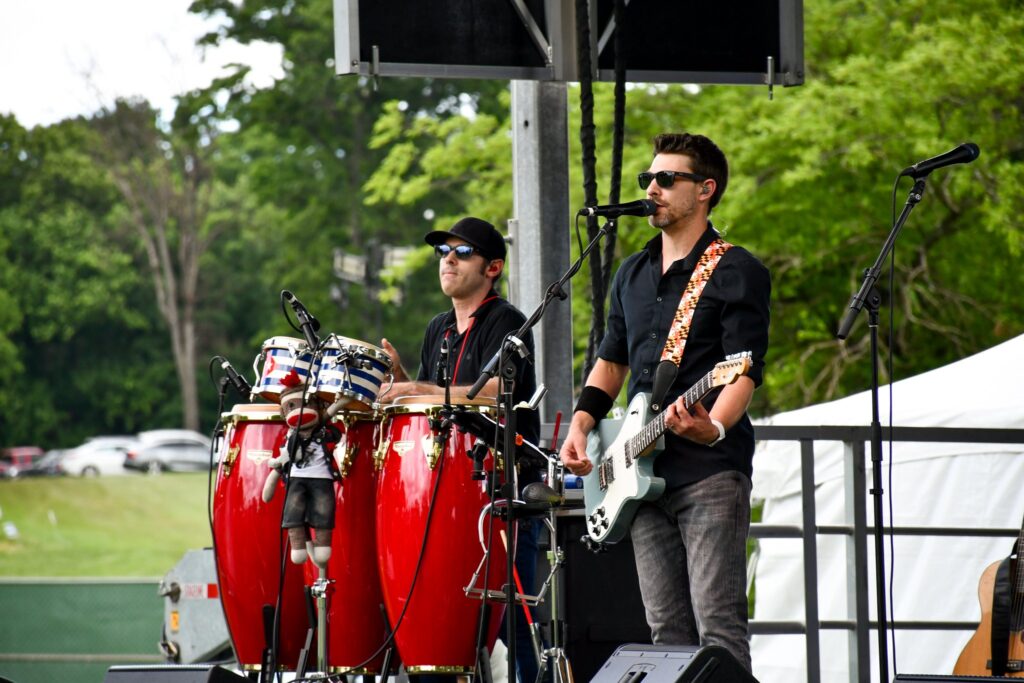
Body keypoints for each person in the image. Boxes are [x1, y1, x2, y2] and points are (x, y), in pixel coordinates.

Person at [559, 133, 770, 672]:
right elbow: (612, 361)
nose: (651, 188)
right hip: (637, 472)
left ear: (705, 190)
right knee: (664, 631)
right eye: (646, 180)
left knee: (718, 626)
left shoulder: (735, 269)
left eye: (665, 179)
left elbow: (742, 368)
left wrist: (715, 427)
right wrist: (582, 425)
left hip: (708, 471)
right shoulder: (631, 272)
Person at [381, 216, 544, 683]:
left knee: (512, 626)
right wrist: (401, 383)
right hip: (449, 497)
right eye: (443, 252)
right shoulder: (438, 328)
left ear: (493, 267)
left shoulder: (506, 320)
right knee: (448, 624)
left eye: (461, 252)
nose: (447, 259)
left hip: (503, 490)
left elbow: (494, 390)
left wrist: (417, 387)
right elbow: (436, 398)